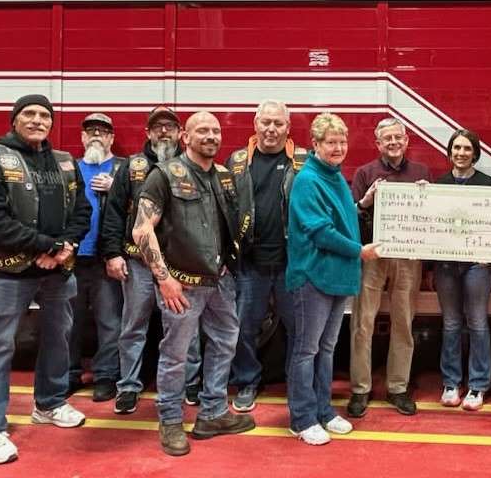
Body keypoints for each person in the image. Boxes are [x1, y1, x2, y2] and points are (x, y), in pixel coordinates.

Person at [0, 94, 92, 464]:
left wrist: (66, 246)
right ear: (14, 120)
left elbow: (82, 210)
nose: (38, 120)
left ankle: (50, 403)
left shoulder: (65, 162)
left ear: (51, 123)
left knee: (59, 338)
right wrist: (46, 244)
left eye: (44, 115)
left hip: (57, 268)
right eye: (29, 114)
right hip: (8, 270)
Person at [131, 111, 254, 456]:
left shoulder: (225, 177)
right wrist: (164, 279)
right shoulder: (164, 175)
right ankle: (170, 421)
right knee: (175, 355)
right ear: (186, 136)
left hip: (220, 283)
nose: (211, 136)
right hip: (181, 286)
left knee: (225, 343)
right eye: (203, 130)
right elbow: (142, 230)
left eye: (215, 130)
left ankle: (213, 412)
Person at [285, 112, 381, 445]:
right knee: (306, 350)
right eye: (331, 142)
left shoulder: (336, 176)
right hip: (313, 276)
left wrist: (362, 204)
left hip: (337, 277)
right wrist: (359, 251)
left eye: (342, 141)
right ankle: (301, 418)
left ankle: (323, 411)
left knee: (325, 349)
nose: (338, 147)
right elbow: (320, 231)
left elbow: (338, 216)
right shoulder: (308, 179)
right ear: (315, 144)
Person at [100, 106, 202, 414]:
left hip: (180, 265)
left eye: (170, 126)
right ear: (147, 133)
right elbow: (114, 212)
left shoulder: (193, 167)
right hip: (138, 263)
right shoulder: (132, 167)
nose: (164, 132)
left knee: (187, 326)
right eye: (157, 127)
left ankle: (191, 382)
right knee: (133, 325)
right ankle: (129, 386)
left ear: (180, 133)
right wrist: (113, 253)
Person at [225, 100, 308, 413]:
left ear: (288, 128)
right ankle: (247, 381)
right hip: (250, 263)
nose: (272, 129)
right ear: (255, 124)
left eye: (279, 123)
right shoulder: (236, 162)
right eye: (266, 122)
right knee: (244, 327)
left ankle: (297, 384)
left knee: (299, 329)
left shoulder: (303, 161)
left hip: (291, 264)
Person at [347, 117, 430, 418]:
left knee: (403, 323)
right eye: (387, 139)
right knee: (362, 323)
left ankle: (398, 387)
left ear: (407, 140)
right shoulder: (364, 173)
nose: (393, 143)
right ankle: (360, 389)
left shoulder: (421, 173)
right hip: (372, 255)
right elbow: (350, 218)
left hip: (407, 257)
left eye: (398, 137)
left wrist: (426, 197)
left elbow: (430, 219)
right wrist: (367, 200)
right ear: (378, 143)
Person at [433, 129, 491, 412]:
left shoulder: (487, 183)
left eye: (467, 148)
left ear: (475, 153)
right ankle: (450, 382)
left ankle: (478, 385)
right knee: (450, 323)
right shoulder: (438, 184)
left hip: (476, 264)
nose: (461, 153)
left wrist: (490, 254)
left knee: (478, 323)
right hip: (445, 264)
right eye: (456, 148)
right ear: (449, 152)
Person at [68, 112, 125, 402]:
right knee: (69, 322)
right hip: (72, 260)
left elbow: (141, 203)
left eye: (102, 132)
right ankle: (69, 374)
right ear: (81, 137)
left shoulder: (123, 169)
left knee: (109, 322)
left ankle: (105, 376)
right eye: (90, 131)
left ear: (111, 138)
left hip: (106, 260)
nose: (96, 136)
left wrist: (117, 188)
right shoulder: (70, 168)